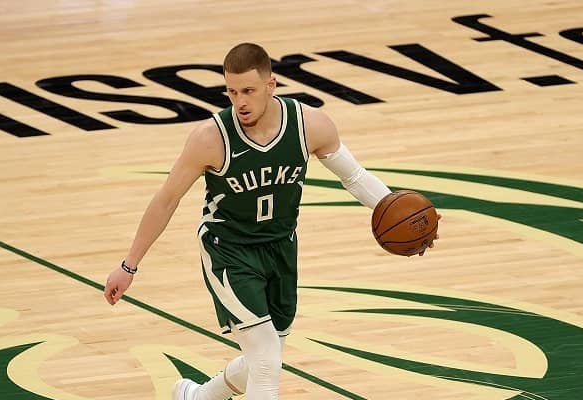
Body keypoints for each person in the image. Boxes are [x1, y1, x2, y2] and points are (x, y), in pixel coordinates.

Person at [104, 42, 438, 400]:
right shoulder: (210, 139)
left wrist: (406, 219)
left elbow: (354, 177)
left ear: (271, 85)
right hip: (228, 251)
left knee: (265, 357)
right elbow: (167, 199)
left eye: (248, 91)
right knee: (266, 359)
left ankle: (197, 397)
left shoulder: (310, 125)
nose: (240, 102)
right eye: (232, 92)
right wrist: (129, 265)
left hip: (280, 248)